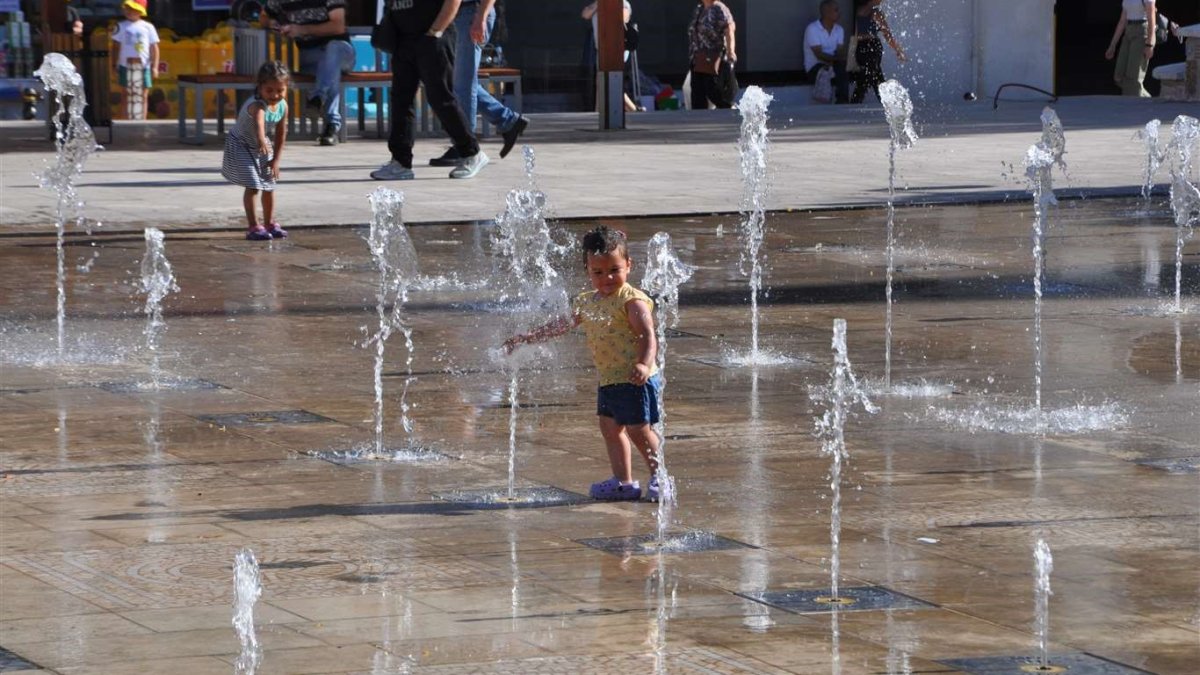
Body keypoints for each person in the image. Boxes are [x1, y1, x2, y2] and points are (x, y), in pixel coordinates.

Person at [504, 226, 663, 502]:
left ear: (628, 265)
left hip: (636, 377)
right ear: (587, 270)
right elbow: (561, 325)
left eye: (614, 270)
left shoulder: (632, 300)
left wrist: (643, 364)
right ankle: (623, 482)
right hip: (611, 378)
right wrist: (528, 337)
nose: (607, 278)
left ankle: (662, 476)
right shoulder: (586, 302)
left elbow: (648, 335)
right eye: (598, 272)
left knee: (639, 429)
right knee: (610, 428)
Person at [370, 0, 489, 181]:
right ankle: (400, 162)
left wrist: (435, 32)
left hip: (433, 36)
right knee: (401, 99)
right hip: (403, 38)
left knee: (440, 98)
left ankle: (472, 153)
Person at [428, 0, 528, 167]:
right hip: (455, 14)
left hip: (471, 12)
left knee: (463, 85)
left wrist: (481, 16)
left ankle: (465, 146)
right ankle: (508, 120)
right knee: (456, 82)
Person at [263, 0, 355, 146]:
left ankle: (318, 97)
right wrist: (274, 24)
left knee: (333, 50)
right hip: (310, 56)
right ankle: (329, 125)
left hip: (340, 52)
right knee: (329, 71)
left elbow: (338, 26)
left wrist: (302, 29)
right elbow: (265, 16)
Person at [222, 61, 290, 241]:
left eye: (280, 90)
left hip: (261, 145)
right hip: (241, 144)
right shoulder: (258, 105)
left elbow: (281, 132)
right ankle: (253, 226)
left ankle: (269, 223)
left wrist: (276, 159)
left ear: (286, 88)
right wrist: (261, 140)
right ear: (259, 88)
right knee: (253, 185)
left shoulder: (283, 106)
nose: (275, 95)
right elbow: (259, 124)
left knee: (269, 184)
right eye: (269, 90)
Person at [582, 1, 641, 113]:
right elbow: (585, 14)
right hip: (602, 50)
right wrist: (599, 4)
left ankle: (633, 110)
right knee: (603, 83)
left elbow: (624, 18)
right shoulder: (598, 5)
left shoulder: (622, 3)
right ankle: (600, 112)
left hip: (617, 49)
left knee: (610, 83)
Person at [110, 0, 159, 121]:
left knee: (143, 95)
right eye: (127, 8)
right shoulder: (120, 26)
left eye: (133, 9)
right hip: (125, 65)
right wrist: (113, 64)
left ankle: (142, 121)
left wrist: (155, 66)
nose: (129, 11)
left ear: (140, 11)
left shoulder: (148, 27)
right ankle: (125, 120)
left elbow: (154, 48)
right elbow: (115, 46)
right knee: (126, 94)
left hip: (143, 66)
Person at [850, 0, 905, 104]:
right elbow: (887, 34)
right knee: (873, 73)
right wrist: (897, 50)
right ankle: (883, 100)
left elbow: (857, 33)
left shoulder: (858, 11)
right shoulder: (875, 13)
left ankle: (861, 99)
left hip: (861, 47)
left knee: (873, 72)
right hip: (871, 46)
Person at [687, 0, 737, 110]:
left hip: (712, 57)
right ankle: (698, 119)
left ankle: (728, 109)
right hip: (697, 58)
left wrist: (730, 52)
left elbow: (729, 30)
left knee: (713, 90)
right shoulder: (700, 8)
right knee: (697, 92)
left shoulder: (719, 9)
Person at [1106, 0, 1158, 97]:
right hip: (1129, 31)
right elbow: (1122, 22)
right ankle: (1146, 99)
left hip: (1142, 31)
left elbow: (1151, 20)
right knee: (1119, 76)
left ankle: (1134, 105)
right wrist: (1112, 45)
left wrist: (1149, 44)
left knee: (1133, 78)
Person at [803, 0, 849, 104]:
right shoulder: (812, 29)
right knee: (837, 68)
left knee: (841, 68)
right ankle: (838, 102)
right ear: (826, 12)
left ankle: (842, 102)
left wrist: (842, 58)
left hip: (833, 64)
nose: (839, 13)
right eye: (836, 10)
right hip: (815, 67)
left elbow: (839, 51)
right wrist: (838, 59)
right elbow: (819, 55)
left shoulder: (839, 29)